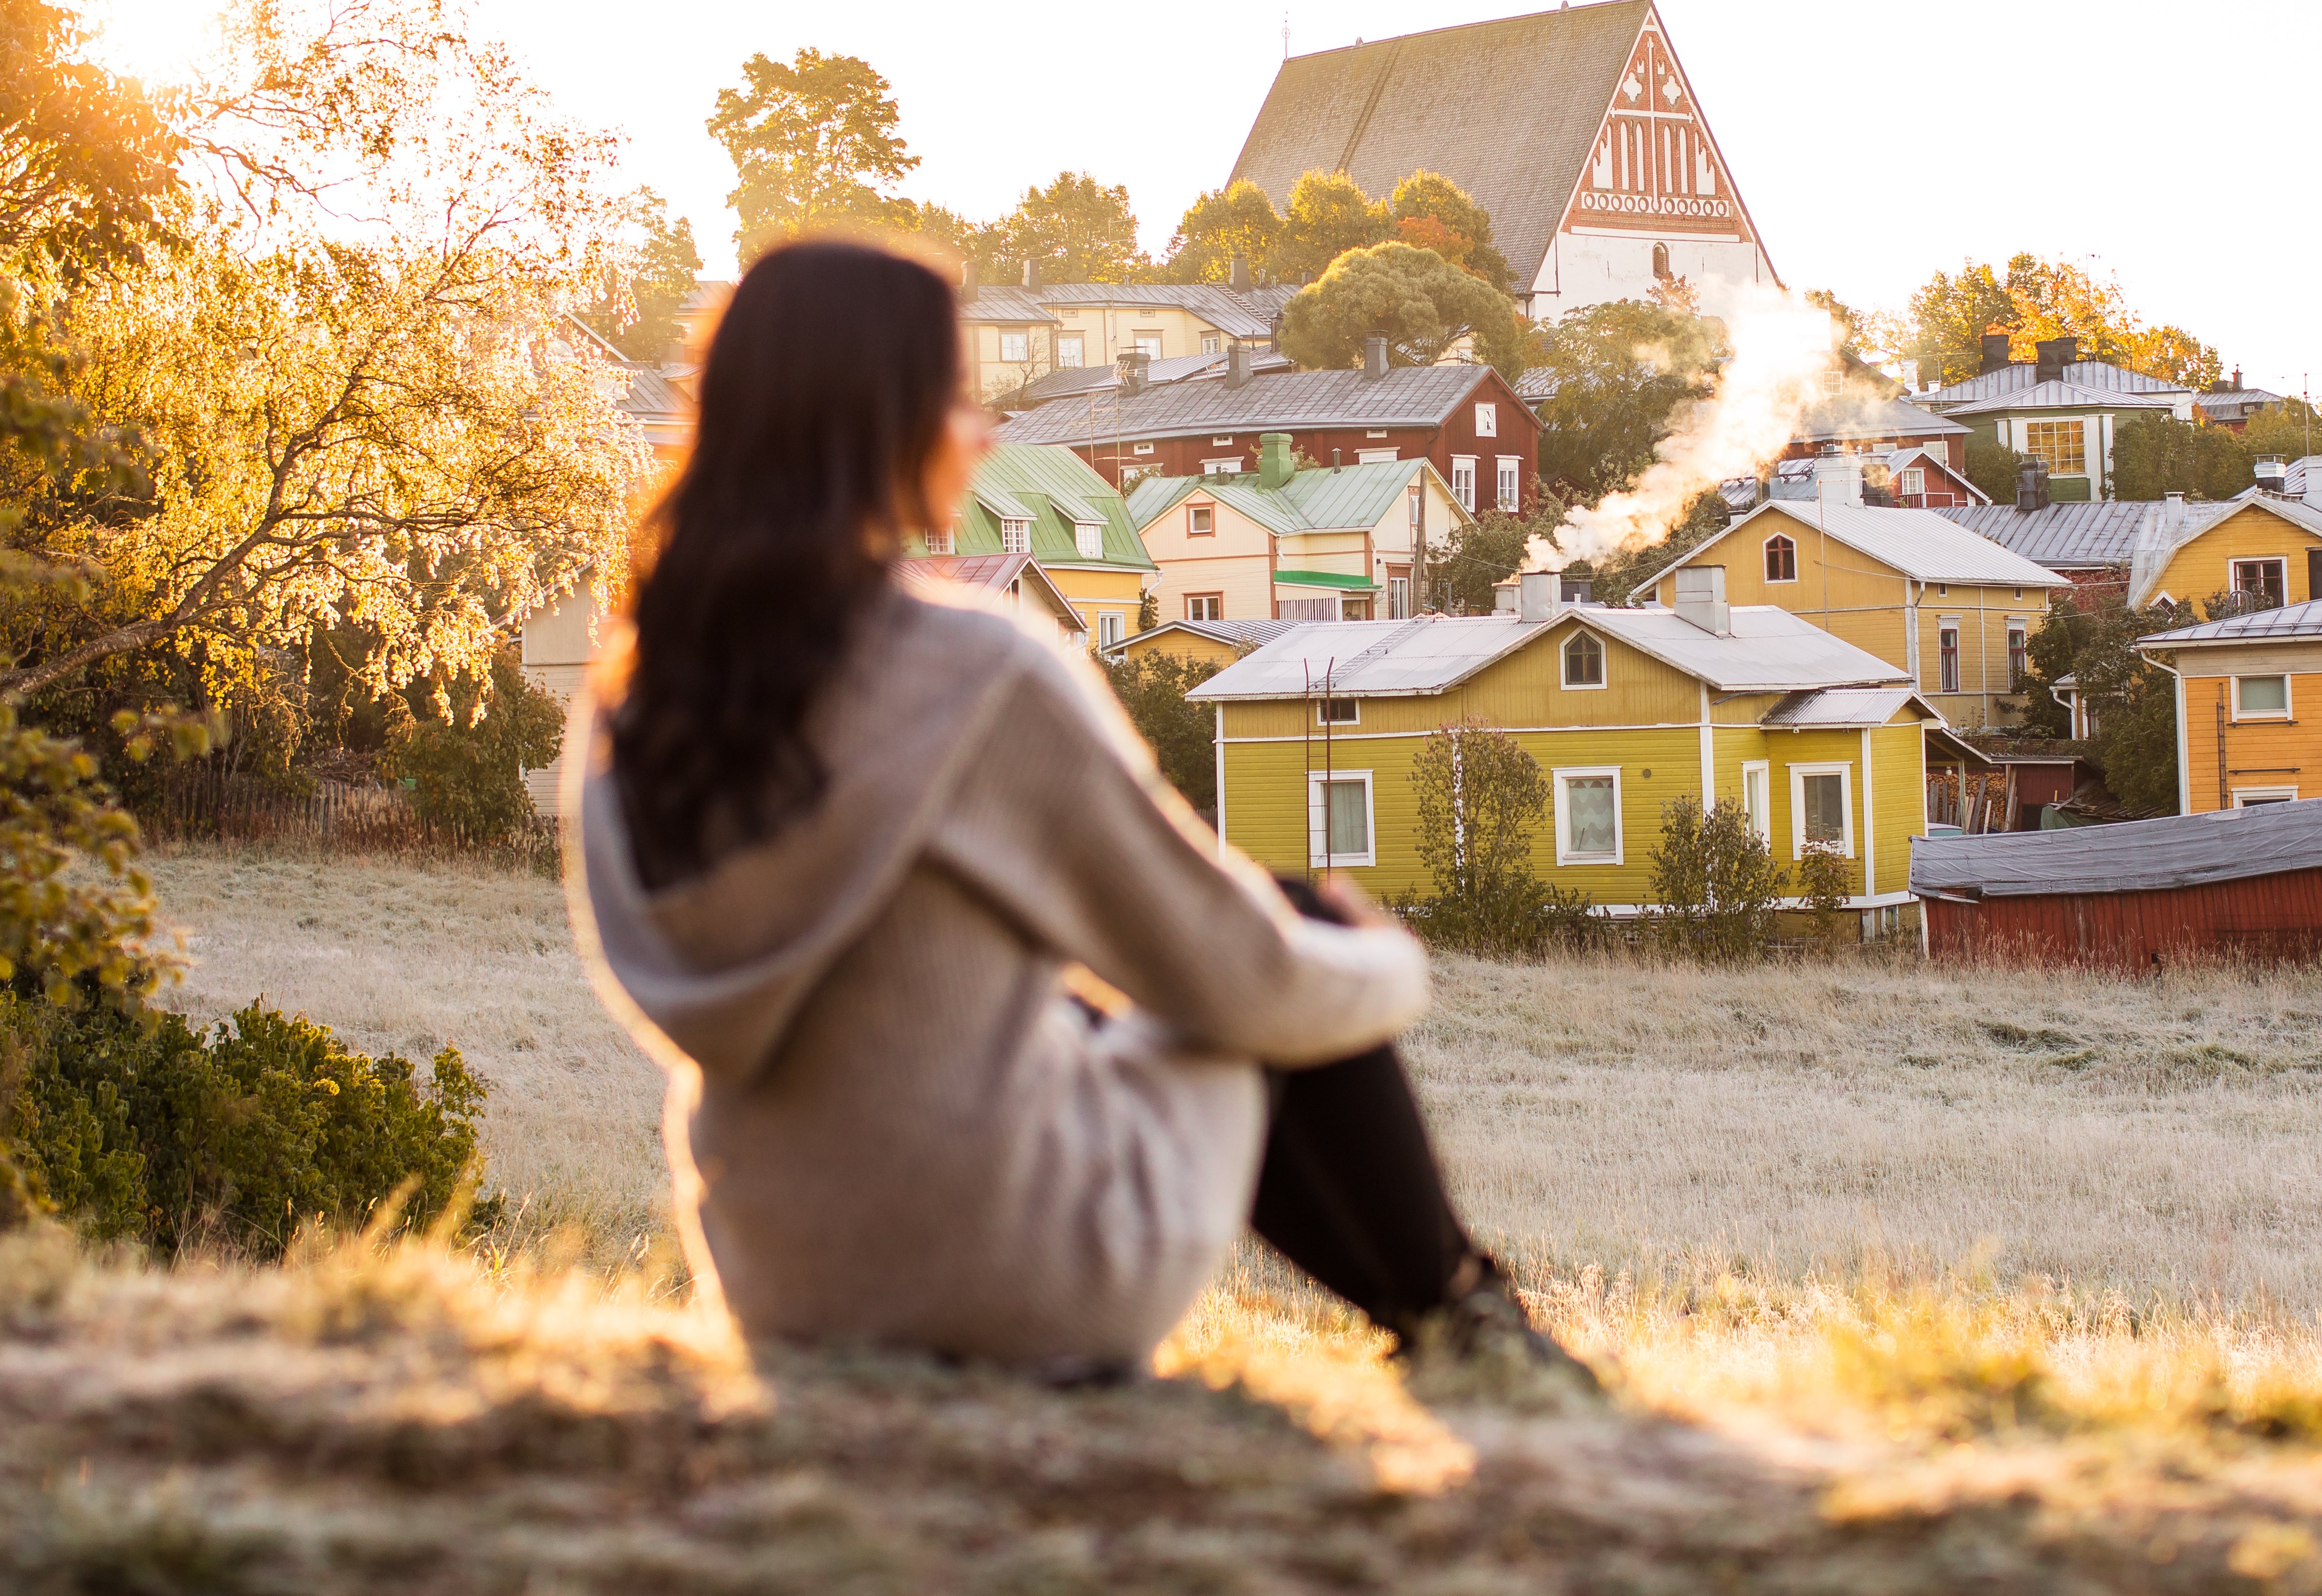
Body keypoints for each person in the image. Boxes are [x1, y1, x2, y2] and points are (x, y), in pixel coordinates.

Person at [565, 235, 1580, 1381]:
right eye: (958, 395)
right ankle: (1465, 1323)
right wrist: (1389, 963)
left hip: (778, 1279)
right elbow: (1234, 971)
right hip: (1021, 1276)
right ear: (880, 419)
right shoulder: (973, 672)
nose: (986, 429)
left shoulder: (635, 694)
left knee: (1076, 1011)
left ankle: (1462, 1327)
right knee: (1287, 920)